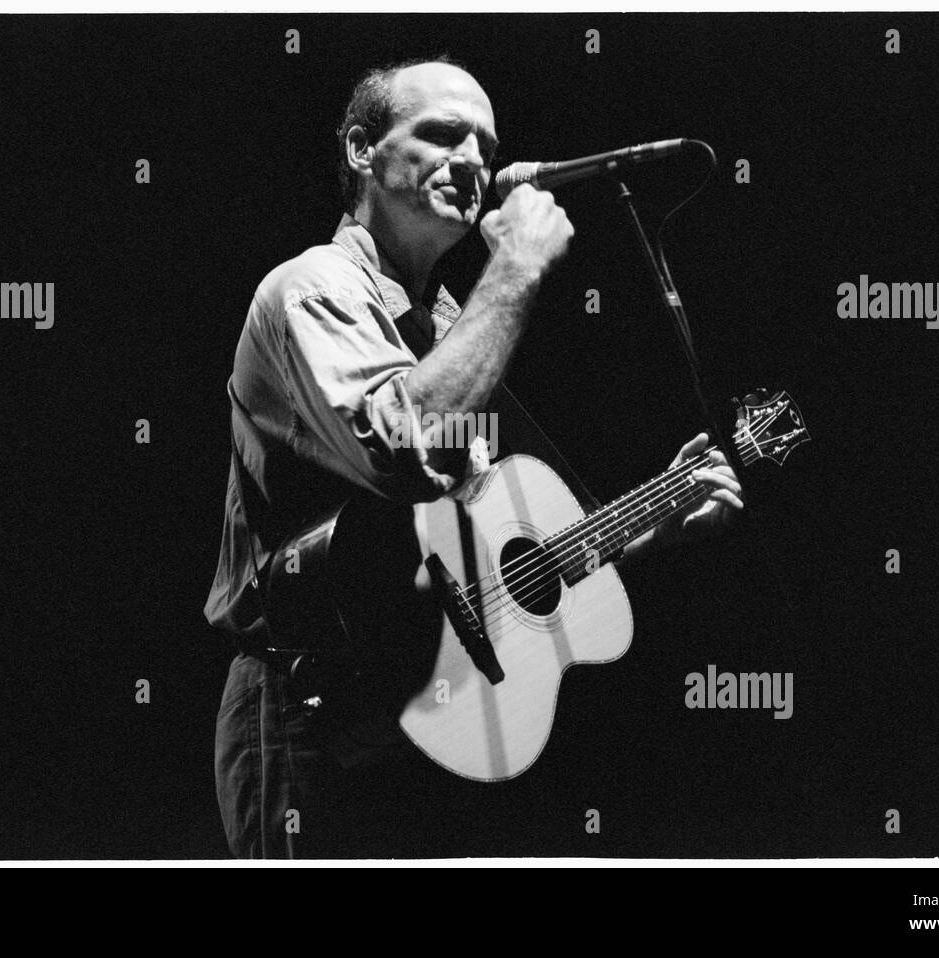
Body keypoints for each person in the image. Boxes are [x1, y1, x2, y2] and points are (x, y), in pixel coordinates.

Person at [203, 57, 744, 859]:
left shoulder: (451, 323)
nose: (473, 162)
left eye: (485, 147)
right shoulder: (311, 288)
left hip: (432, 703)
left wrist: (649, 531)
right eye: (443, 134)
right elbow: (403, 454)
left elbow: (489, 559)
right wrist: (518, 269)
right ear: (361, 150)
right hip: (311, 703)